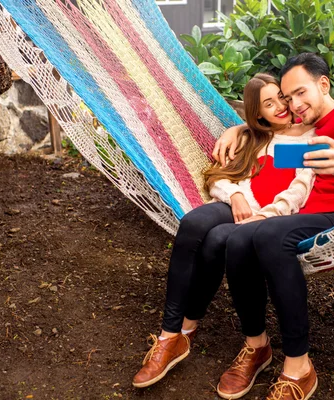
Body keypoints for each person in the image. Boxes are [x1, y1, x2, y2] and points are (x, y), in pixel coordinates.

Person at [213, 53, 334, 400]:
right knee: (237, 238)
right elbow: (273, 146)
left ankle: (299, 366)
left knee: (269, 236)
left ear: (323, 84)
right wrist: (239, 129)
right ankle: (256, 344)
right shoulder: (309, 133)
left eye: (301, 93)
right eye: (289, 98)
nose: (294, 104)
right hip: (305, 216)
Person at [132, 73, 317, 389]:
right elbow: (218, 175)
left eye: (281, 98)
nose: (280, 107)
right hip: (238, 204)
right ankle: (169, 336)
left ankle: (195, 334)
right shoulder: (254, 137)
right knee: (191, 224)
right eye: (268, 104)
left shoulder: (309, 138)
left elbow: (299, 187)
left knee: (217, 240)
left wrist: (264, 216)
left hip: (269, 217)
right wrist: (235, 195)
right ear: (258, 113)